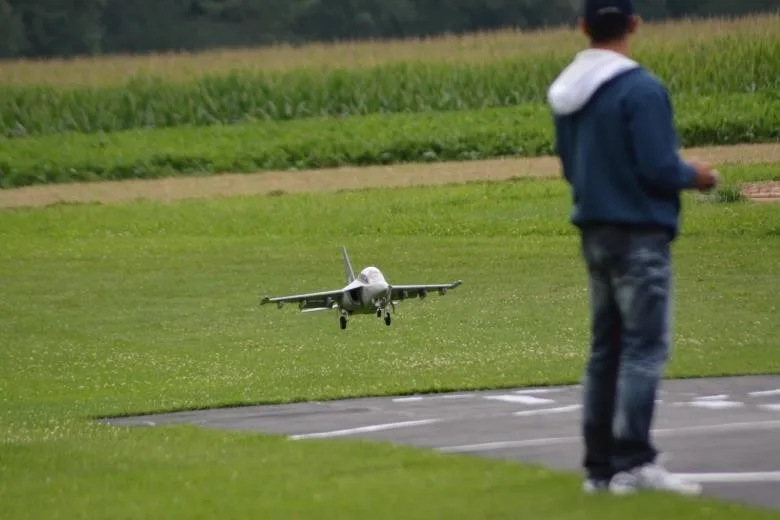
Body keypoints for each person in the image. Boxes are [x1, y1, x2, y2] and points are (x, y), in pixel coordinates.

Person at [546, 0, 719, 496]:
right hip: (639, 232)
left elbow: (569, 166)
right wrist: (699, 176)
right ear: (634, 25)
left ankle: (599, 467)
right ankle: (633, 459)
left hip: (594, 230)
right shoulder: (641, 88)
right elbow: (659, 167)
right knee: (644, 347)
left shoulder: (567, 93)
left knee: (606, 349)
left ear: (583, 27)